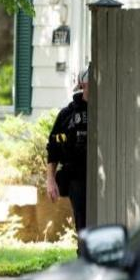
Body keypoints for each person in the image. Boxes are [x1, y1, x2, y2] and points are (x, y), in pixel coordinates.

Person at [47, 65, 90, 239]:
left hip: (104, 178)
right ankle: (84, 252)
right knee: (83, 222)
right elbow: (53, 148)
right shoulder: (67, 115)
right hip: (76, 177)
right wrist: (50, 180)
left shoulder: (107, 111)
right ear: (82, 84)